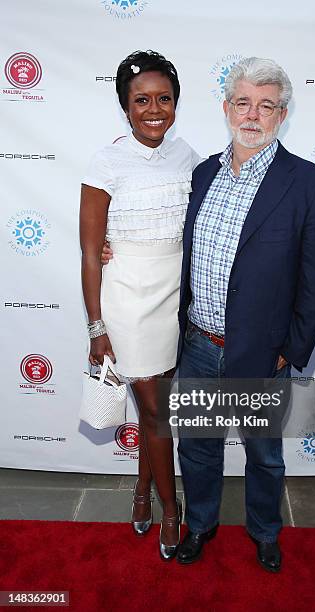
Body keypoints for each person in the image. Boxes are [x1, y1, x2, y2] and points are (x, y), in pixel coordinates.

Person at [175, 57, 315, 571]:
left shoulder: (312, 186)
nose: (253, 115)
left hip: (263, 353)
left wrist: (287, 352)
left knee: (264, 455)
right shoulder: (203, 173)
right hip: (198, 345)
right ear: (227, 107)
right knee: (198, 448)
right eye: (243, 102)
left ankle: (265, 531)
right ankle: (199, 523)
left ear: (282, 114)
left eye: (266, 106)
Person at [80, 50, 200, 561]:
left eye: (164, 99)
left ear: (176, 103)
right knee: (154, 410)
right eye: (141, 101)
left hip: (176, 296)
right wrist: (96, 328)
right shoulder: (105, 161)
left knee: (159, 411)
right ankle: (171, 512)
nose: (154, 109)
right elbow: (90, 249)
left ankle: (141, 491)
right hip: (127, 297)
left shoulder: (188, 156)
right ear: (125, 107)